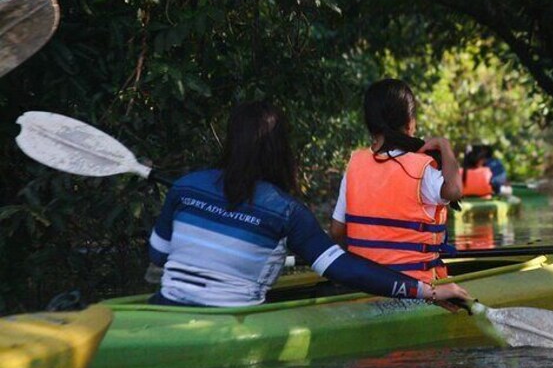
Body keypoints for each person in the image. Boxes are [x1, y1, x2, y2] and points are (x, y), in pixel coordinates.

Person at [148, 100, 470, 308]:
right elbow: (343, 268)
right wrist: (429, 291)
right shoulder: (287, 211)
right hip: (226, 317)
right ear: (281, 150)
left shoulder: (184, 186)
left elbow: (159, 256)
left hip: (164, 304)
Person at [330, 79, 462, 283]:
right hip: (415, 289)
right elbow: (455, 190)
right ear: (410, 124)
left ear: (370, 125)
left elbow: (337, 232)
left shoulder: (354, 166)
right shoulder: (422, 170)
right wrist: (444, 145)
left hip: (363, 285)